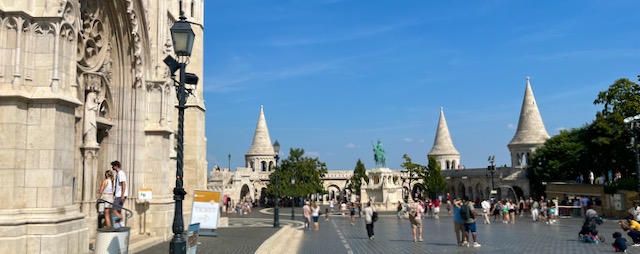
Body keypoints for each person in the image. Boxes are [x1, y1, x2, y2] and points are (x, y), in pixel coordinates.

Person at [111, 161, 127, 227]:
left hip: (120, 195)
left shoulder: (120, 173)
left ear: (116, 166)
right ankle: (120, 225)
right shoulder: (118, 173)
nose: (112, 167)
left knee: (114, 209)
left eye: (113, 166)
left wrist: (122, 195)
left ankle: (121, 220)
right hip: (118, 195)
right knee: (118, 210)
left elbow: (123, 184)